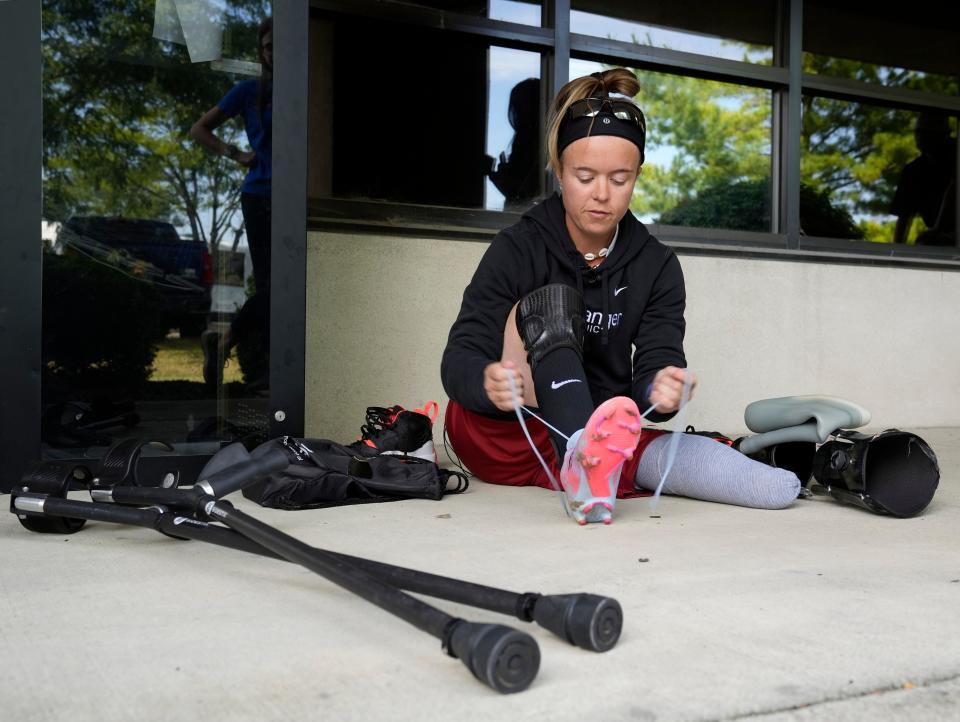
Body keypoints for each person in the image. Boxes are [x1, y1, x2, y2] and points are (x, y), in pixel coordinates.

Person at [441, 68, 800, 525]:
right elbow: (458, 359)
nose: (601, 195)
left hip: (597, 441)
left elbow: (652, 370)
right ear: (559, 168)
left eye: (619, 178)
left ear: (637, 176)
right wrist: (486, 382)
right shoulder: (517, 247)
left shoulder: (658, 266)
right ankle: (583, 461)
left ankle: (587, 466)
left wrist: (662, 390)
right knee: (553, 300)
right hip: (500, 434)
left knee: (648, 450)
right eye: (585, 176)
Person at [190, 17, 273, 388]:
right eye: (269, 46)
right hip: (260, 197)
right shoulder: (248, 91)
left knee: (283, 290)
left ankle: (233, 348)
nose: (276, 53)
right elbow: (199, 129)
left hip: (294, 200)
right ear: (262, 52)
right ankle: (233, 347)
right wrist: (235, 153)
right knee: (277, 288)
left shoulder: (304, 89)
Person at [891, 111, 957, 246]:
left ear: (943, 134)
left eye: (925, 132)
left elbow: (955, 188)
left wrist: (938, 230)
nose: (919, 137)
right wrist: (896, 251)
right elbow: (904, 215)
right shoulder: (913, 170)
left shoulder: (956, 153)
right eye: (918, 132)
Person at [487, 78, 541, 209]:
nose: (518, 113)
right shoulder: (528, 142)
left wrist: (501, 178)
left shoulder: (540, 146)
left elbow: (523, 195)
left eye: (522, 106)